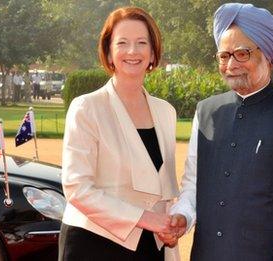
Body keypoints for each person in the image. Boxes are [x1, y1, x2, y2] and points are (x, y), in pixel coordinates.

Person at [166, 3, 273, 260]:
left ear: (268, 57)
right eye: (223, 55)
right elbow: (193, 185)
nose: (231, 64)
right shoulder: (206, 112)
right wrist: (183, 215)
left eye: (242, 54)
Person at [59, 7, 181, 261]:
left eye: (141, 43)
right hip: (93, 244)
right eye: (122, 43)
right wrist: (148, 220)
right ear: (109, 53)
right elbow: (77, 188)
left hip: (151, 245)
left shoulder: (166, 112)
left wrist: (169, 226)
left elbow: (163, 187)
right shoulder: (86, 108)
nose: (132, 51)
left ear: (153, 53)